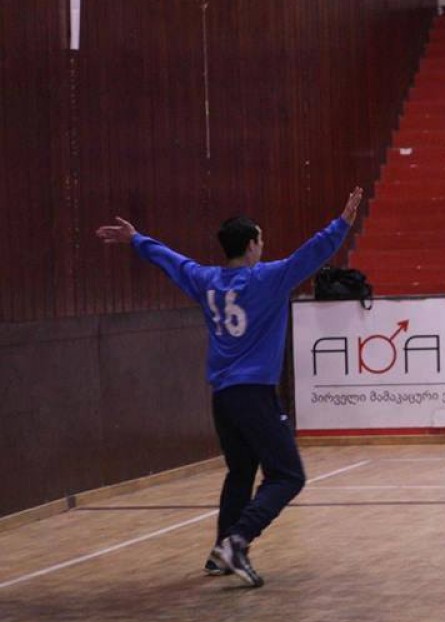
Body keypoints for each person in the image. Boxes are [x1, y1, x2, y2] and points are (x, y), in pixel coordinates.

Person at [96, 187, 363, 585]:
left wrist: (136, 239)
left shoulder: (206, 281)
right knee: (288, 475)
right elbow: (312, 253)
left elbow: (171, 261)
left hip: (223, 399)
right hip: (255, 394)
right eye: (261, 240)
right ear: (252, 244)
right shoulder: (269, 278)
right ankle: (237, 541)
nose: (263, 246)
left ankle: (219, 553)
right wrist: (342, 224)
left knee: (240, 471)